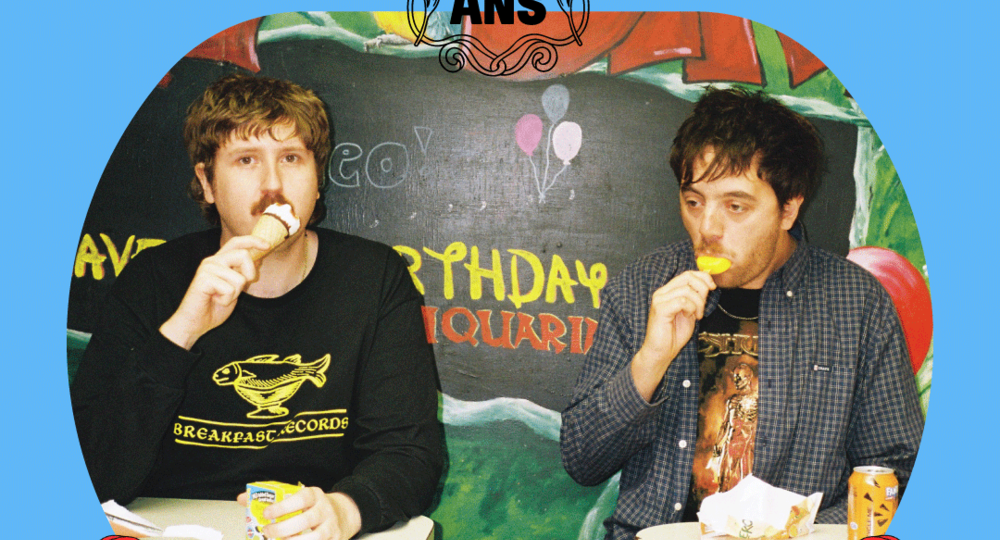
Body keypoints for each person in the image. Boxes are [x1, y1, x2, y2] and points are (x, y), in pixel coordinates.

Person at [72, 73, 444, 540]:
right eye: (246, 159)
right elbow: (90, 473)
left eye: (291, 158)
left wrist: (343, 511)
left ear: (317, 179)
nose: (273, 184)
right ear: (207, 182)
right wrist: (180, 332)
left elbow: (409, 452)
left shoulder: (373, 278)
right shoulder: (152, 280)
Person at [559, 87, 923, 540]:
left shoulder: (856, 303)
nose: (707, 228)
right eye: (694, 202)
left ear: (788, 208)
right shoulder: (641, 288)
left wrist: (803, 532)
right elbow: (581, 462)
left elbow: (896, 472)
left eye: (735, 206)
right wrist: (651, 360)